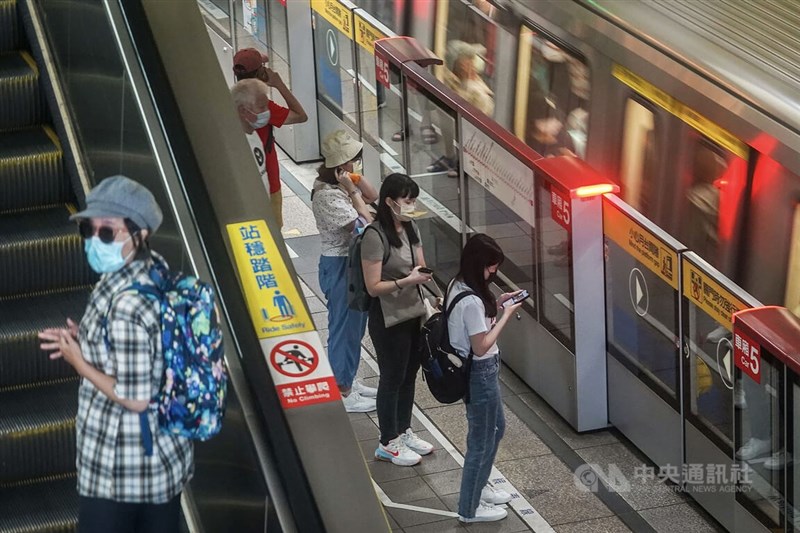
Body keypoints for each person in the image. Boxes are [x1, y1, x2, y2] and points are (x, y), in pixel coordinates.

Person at [38, 176, 190, 532]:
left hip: (122, 469)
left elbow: (135, 398)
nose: (94, 241)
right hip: (158, 458)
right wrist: (87, 338)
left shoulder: (129, 301)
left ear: (141, 233)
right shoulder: (149, 270)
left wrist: (79, 361)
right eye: (89, 231)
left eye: (107, 233)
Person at [446, 234, 522, 523]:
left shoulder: (459, 285)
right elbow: (480, 345)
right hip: (480, 373)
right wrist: (506, 314)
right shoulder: (471, 303)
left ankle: (480, 487)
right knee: (481, 439)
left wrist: (498, 303)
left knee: (496, 429)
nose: (494, 272)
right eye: (491, 267)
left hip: (479, 371)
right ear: (480, 265)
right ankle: (469, 508)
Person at [362, 173, 434, 466]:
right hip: (388, 317)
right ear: (390, 201)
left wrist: (431, 291)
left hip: (414, 312)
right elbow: (373, 287)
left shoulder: (411, 227)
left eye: (414, 200)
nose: (412, 205)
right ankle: (387, 442)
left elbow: (421, 267)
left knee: (409, 374)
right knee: (391, 377)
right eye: (407, 200)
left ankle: (404, 430)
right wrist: (407, 280)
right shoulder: (374, 236)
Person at [311, 130, 380, 412]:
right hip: (340, 266)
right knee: (343, 327)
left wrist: (354, 180)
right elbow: (365, 224)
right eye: (354, 160)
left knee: (356, 326)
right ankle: (342, 388)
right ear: (340, 164)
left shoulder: (340, 183)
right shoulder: (327, 196)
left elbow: (373, 195)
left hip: (351, 264)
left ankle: (349, 377)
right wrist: (352, 191)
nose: (357, 164)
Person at [230, 71, 307, 229]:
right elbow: (301, 116)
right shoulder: (233, 144)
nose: (267, 111)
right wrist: (279, 84)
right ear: (244, 111)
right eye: (262, 107)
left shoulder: (253, 135)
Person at [428, 40, 495, 178]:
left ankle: (466, 165)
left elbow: (482, 116)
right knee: (446, 120)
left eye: (469, 61)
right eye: (464, 62)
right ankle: (450, 157)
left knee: (467, 132)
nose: (467, 65)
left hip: (472, 122)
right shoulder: (451, 76)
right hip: (456, 115)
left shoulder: (477, 90)